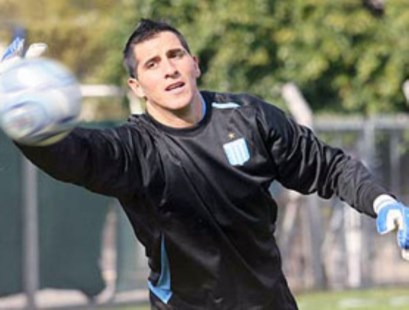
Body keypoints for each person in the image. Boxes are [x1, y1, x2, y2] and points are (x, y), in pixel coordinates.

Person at [3, 18, 409, 309]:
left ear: (194, 63)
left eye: (175, 55)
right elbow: (73, 157)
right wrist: (23, 121)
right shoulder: (134, 149)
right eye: (153, 64)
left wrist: (382, 202)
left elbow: (329, 166)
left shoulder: (249, 118)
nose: (169, 69)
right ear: (137, 86)